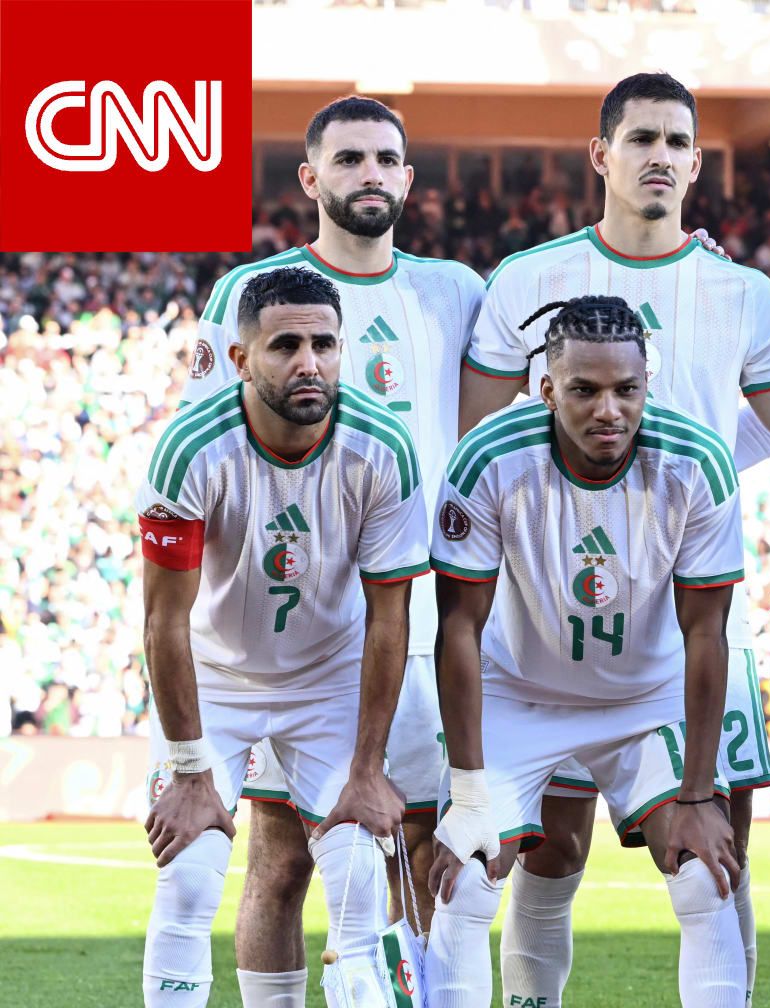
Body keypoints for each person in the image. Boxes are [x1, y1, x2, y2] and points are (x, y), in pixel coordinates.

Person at [455, 72, 770, 1005]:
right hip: (544, 623)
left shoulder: (740, 292)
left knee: (715, 852)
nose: (659, 156)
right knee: (549, 852)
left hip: (684, 615)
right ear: (602, 154)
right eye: (641, 138)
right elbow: (471, 437)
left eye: (677, 142)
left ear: (697, 164)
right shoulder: (529, 279)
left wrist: (711, 465)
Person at [183, 95, 482, 1007]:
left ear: (409, 179)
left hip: (418, 618)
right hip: (296, 627)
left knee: (414, 845)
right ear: (311, 178)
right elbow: (206, 454)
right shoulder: (250, 295)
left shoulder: (456, 290)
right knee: (281, 859)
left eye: (385, 159)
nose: (369, 174)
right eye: (348, 159)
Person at [424, 295, 748, 1006]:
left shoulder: (695, 461)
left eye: (627, 390)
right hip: (520, 695)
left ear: (647, 384)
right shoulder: (488, 457)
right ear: (546, 389)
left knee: (704, 873)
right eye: (584, 391)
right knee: (467, 876)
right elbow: (459, 629)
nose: (610, 410)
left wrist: (697, 795)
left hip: (644, 699)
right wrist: (469, 795)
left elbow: (706, 632)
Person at [138, 267, 426, 1005]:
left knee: (359, 878)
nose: (309, 363)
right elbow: (164, 621)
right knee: (190, 873)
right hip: (215, 680)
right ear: (240, 359)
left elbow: (389, 618)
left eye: (324, 344)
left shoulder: (383, 446)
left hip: (327, 680)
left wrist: (368, 767)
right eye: (286, 346)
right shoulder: (190, 448)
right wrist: (191, 772)